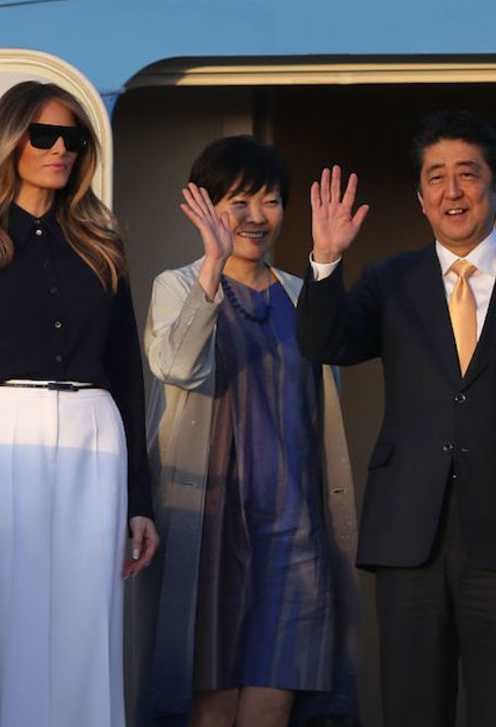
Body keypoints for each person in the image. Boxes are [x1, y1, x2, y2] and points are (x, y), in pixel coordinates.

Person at [0, 81, 158, 727]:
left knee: (87, 616)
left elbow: (126, 374)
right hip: (7, 434)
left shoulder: (102, 240)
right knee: (8, 610)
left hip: (95, 432)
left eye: (73, 138)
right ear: (10, 141)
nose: (61, 149)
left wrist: (141, 500)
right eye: (45, 135)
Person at [297, 111, 496, 727]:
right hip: (410, 529)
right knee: (411, 704)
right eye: (436, 178)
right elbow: (326, 344)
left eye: (467, 175)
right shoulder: (391, 279)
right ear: (421, 197)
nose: (452, 191)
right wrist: (324, 259)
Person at [143, 136, 359, 727]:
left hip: (294, 529)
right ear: (206, 207)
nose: (257, 217)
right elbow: (178, 366)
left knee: (272, 705)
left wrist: (329, 261)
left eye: (270, 201)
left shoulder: (299, 292)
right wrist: (211, 267)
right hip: (212, 525)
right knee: (213, 704)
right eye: (239, 201)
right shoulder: (178, 285)